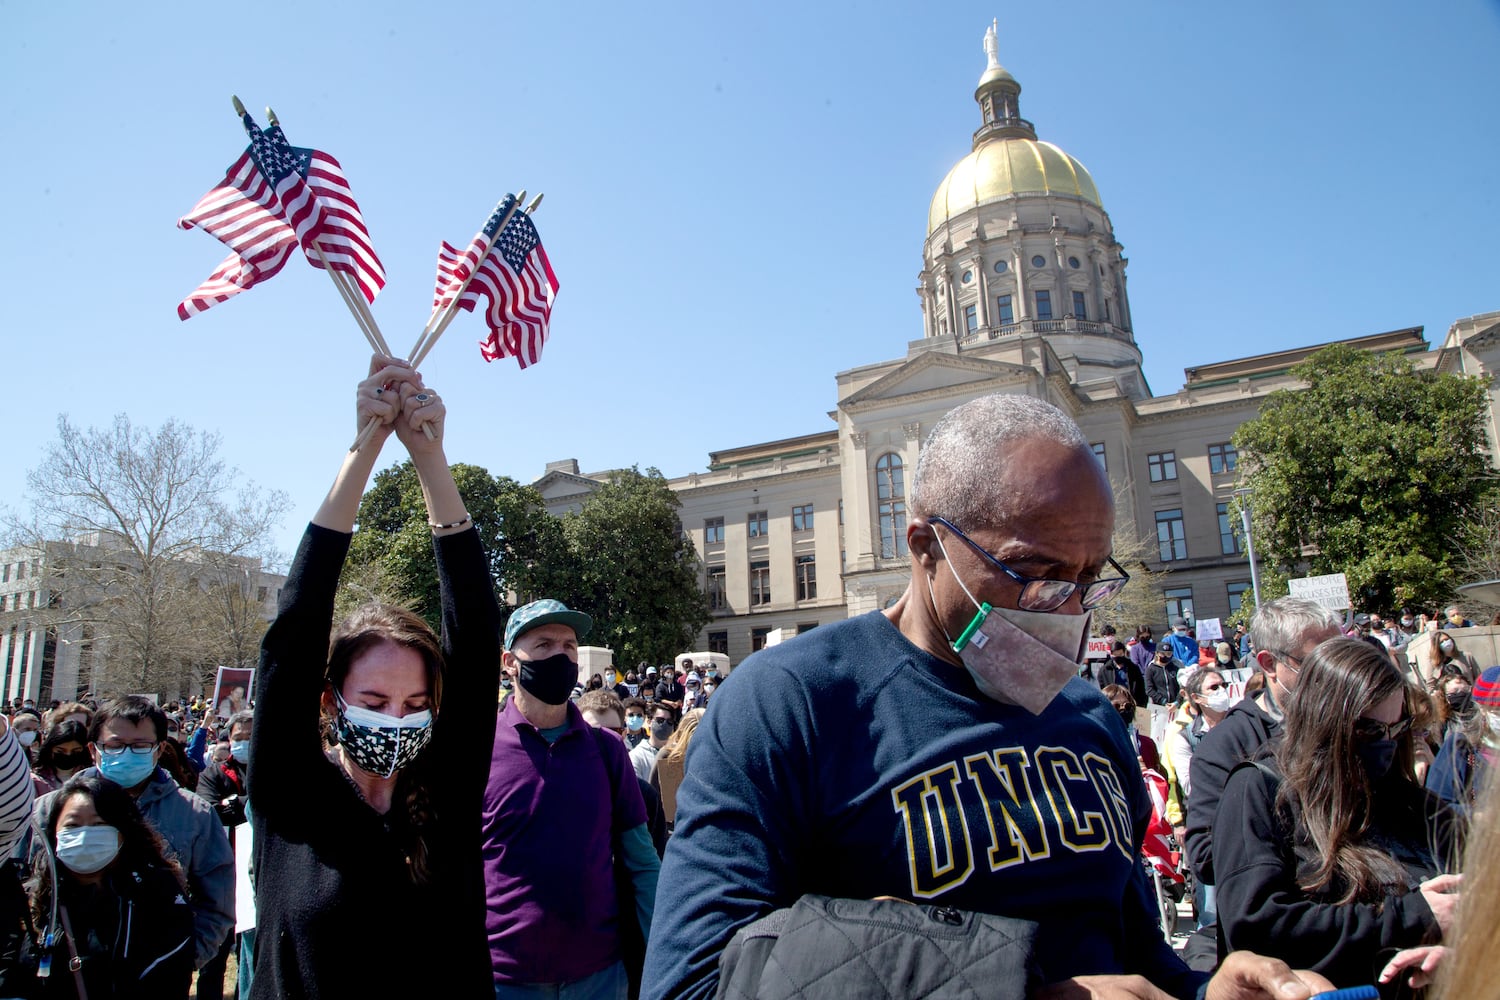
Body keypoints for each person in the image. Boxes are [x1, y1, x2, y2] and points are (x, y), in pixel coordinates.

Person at [641, 393, 1332, 1000]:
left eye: (1090, 575)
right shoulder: (791, 704)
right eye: (1034, 572)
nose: (1068, 606)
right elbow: (693, 983)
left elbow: (1129, 946)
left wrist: (1203, 989)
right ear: (925, 546)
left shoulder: (1090, 719)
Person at [248, 358, 501, 999]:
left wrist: (430, 460)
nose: (396, 718)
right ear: (331, 703)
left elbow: (473, 630)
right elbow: (297, 626)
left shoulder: (446, 789)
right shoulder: (292, 793)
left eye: (415, 702)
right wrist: (364, 446)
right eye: (375, 699)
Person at [1214, 637, 1464, 985]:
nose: (1386, 745)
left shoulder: (1414, 803)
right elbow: (1256, 926)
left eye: (1397, 728)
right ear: (1324, 724)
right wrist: (1412, 917)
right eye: (1369, 730)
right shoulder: (1263, 789)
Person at [487, 598, 660, 997]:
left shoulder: (607, 751)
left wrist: (663, 955)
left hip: (600, 976)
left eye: (568, 646)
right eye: (544, 645)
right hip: (505, 980)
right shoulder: (479, 749)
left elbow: (642, 863)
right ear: (509, 662)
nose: (560, 655)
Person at [32, 697, 235, 977]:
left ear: (159, 748)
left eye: (140, 746)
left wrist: (180, 959)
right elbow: (31, 887)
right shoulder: (51, 807)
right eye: (115, 746)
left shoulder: (194, 813)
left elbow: (217, 901)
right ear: (93, 750)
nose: (126, 754)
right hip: (65, 970)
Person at [1184, 597, 1341, 918]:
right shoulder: (1226, 745)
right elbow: (1205, 856)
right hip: (1295, 927)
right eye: (1316, 662)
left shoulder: (1357, 721)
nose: (1335, 673)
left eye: (1340, 657)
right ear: (1269, 664)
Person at [29, 775, 195, 998]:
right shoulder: (39, 898)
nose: (85, 834)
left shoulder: (158, 894)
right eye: (72, 825)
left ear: (123, 831)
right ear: (54, 834)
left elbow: (167, 976)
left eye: (99, 824)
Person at [193, 709, 251, 1000]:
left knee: (250, 955)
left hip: (257, 876)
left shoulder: (274, 767)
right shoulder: (213, 773)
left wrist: (235, 804)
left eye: (251, 737)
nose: (245, 742)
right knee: (214, 959)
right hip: (223, 873)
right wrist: (248, 804)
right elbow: (211, 809)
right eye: (239, 737)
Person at [1425, 665, 1499, 808]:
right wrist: (1478, 818)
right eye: (1498, 709)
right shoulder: (1460, 750)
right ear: (1482, 709)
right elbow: (1436, 807)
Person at [1168, 668, 1230, 804]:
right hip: (1211, 812)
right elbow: (1189, 786)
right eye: (1214, 687)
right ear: (1196, 697)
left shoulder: (1242, 723)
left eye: (1224, 685)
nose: (1222, 691)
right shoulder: (1186, 738)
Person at [32, 721, 90, 796]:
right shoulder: (36, 779)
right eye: (60, 750)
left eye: (75, 751)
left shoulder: (91, 776)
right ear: (50, 748)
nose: (68, 754)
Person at [630, 704, 676, 783]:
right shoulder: (637, 756)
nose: (664, 724)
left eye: (669, 721)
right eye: (660, 720)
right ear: (649, 722)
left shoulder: (678, 753)